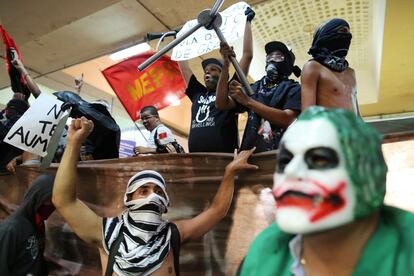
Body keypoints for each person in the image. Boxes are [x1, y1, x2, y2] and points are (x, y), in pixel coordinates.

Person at [52, 116, 258, 275]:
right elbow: (64, 200)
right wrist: (73, 143)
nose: (153, 197)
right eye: (144, 191)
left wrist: (229, 173)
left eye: (159, 192)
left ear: (166, 203)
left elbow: (216, 211)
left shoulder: (172, 235)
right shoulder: (105, 233)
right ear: (128, 199)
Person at [238, 106, 414, 275]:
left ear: (366, 170)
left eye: (319, 159)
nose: (290, 171)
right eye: (285, 161)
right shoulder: (263, 252)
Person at [177, 7, 255, 153]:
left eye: (213, 69)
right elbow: (184, 67)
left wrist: (247, 23)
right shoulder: (197, 93)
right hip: (196, 158)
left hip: (223, 158)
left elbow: (247, 55)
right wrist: (180, 41)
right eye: (206, 71)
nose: (207, 73)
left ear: (222, 73)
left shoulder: (231, 89)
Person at [217, 40, 301, 153]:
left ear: (288, 63)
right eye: (269, 56)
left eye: (278, 57)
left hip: (275, 155)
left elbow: (287, 119)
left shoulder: (293, 88)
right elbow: (222, 103)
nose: (271, 59)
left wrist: (248, 101)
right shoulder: (255, 87)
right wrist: (226, 67)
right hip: (248, 155)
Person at [301, 18, 360, 115]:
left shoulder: (351, 72)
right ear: (326, 34)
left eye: (348, 33)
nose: (347, 36)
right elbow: (308, 113)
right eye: (342, 31)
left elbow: (357, 113)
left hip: (352, 129)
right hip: (328, 128)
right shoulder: (313, 67)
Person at [0, 174, 55, 275]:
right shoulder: (10, 229)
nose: (54, 206)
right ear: (38, 196)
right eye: (50, 200)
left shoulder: (36, 224)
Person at [0, 95, 30, 175]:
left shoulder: (19, 120)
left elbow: (6, 134)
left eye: (9, 108)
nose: (6, 110)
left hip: (8, 163)